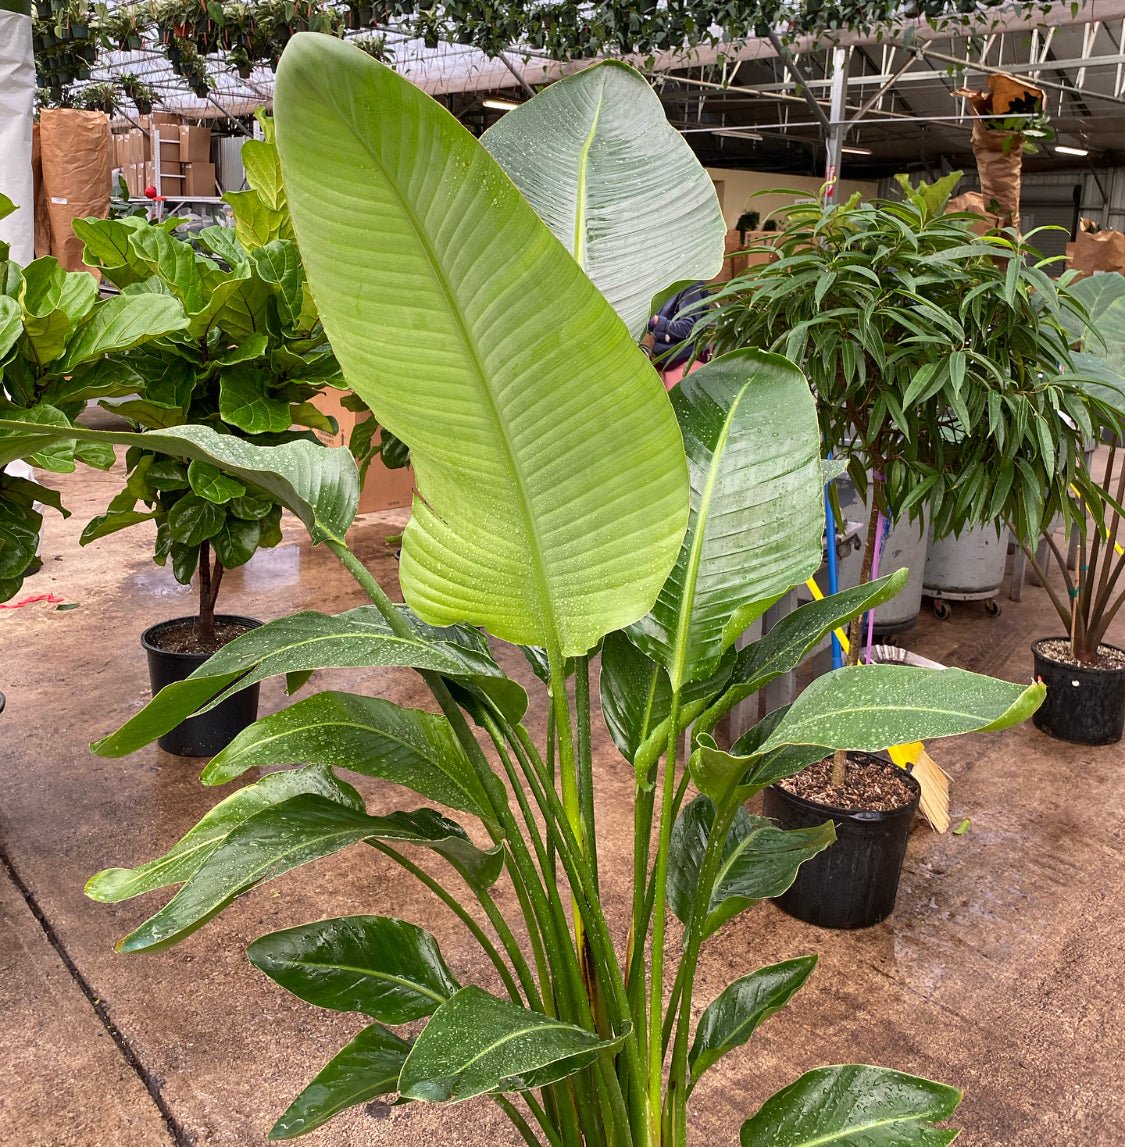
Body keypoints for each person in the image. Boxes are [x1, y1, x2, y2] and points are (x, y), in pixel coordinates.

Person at [648, 281, 710, 389]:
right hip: (661, 360)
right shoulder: (662, 285)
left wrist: (657, 321)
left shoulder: (690, 286)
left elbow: (689, 328)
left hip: (684, 361)